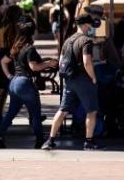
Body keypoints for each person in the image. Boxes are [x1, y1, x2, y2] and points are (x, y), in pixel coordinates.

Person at [43, 13, 102, 150]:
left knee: (63, 110)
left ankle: (50, 140)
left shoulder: (68, 41)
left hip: (69, 80)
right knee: (91, 111)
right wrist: (93, 77)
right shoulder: (86, 40)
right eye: (90, 25)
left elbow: (61, 62)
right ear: (86, 25)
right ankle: (88, 141)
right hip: (83, 79)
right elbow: (87, 62)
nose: (91, 27)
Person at [0, 20, 57, 149]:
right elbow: (33, 67)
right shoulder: (30, 48)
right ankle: (40, 139)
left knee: (11, 112)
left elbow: (3, 61)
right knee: (35, 112)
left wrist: (9, 76)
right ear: (32, 35)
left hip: (14, 82)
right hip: (25, 83)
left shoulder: (16, 47)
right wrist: (49, 64)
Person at [0, 5, 22, 126]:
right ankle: (32, 115)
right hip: (14, 57)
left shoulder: (2, 28)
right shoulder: (18, 29)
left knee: (4, 90)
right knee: (21, 89)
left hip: (2, 55)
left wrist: (2, 49)